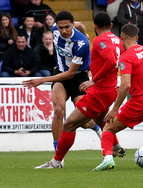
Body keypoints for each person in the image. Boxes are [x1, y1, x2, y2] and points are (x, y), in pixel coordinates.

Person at [23, 11, 126, 169]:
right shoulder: (56, 30)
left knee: (86, 120)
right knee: (58, 110)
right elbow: (81, 25)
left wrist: (42, 80)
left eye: (67, 27)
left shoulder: (81, 44)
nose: (64, 30)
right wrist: (85, 31)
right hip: (60, 76)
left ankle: (102, 134)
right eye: (61, 27)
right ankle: (58, 158)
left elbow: (71, 73)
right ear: (56, 26)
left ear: (71, 25)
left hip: (78, 77)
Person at [93, 24, 143, 171]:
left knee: (108, 128)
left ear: (121, 38)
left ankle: (108, 158)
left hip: (140, 102)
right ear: (137, 37)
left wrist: (114, 109)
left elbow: (125, 85)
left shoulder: (126, 56)